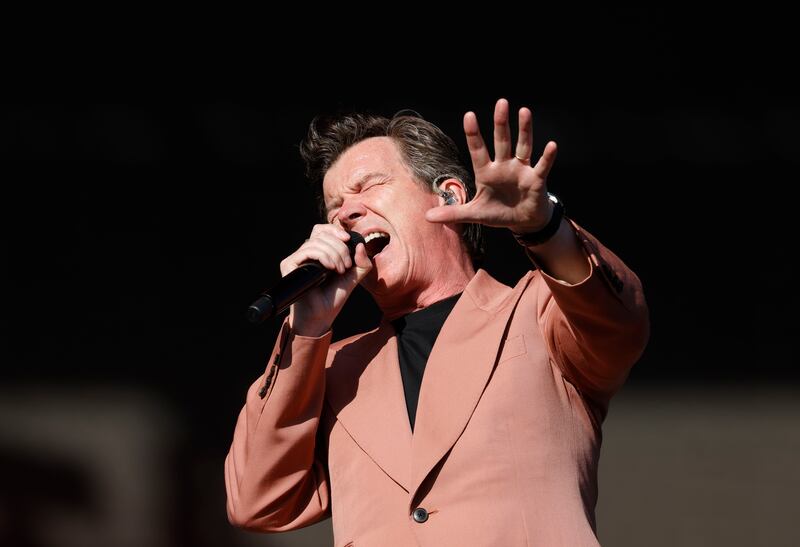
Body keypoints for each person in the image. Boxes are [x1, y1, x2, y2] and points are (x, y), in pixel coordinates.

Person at [224, 99, 649, 546]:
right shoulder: (333, 370)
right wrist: (305, 329)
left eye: (369, 186)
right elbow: (258, 500)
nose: (344, 214)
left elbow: (620, 319)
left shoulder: (540, 312)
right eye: (334, 206)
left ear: (448, 195)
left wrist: (546, 227)